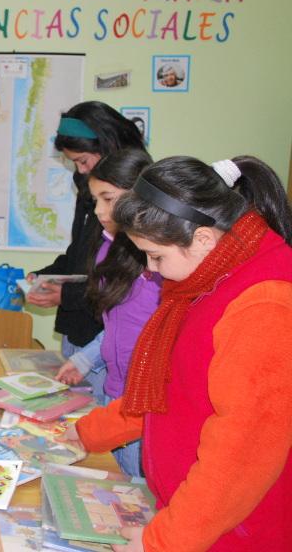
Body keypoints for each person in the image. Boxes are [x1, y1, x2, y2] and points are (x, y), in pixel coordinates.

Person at [67, 156, 292, 550]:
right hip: (191, 520)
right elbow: (161, 391)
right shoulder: (203, 278)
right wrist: (89, 432)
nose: (151, 270)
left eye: (156, 256)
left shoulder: (266, 304)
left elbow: (241, 458)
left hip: (234, 534)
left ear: (203, 238)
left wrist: (163, 542)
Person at [27, 101, 146, 395]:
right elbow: (80, 253)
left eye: (83, 160)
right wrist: (47, 275)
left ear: (106, 144)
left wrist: (66, 294)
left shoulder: (135, 200)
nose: (80, 170)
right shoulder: (89, 188)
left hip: (103, 342)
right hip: (80, 332)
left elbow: (122, 283)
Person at [55, 148, 159, 477]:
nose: (99, 211)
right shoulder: (107, 244)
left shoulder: (160, 262)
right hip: (114, 395)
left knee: (140, 486)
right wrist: (84, 359)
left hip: (142, 407)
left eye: (108, 199)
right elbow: (116, 327)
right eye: (95, 200)